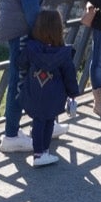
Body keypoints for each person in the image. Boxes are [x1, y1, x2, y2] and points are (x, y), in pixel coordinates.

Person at [0, 0, 69, 152]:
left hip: (15, 23)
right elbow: (29, 1)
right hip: (22, 27)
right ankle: (11, 134)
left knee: (25, 78)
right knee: (20, 80)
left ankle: (43, 122)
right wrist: (42, 34)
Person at [18, 11, 80, 167]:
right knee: (49, 122)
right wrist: (73, 94)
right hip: (54, 96)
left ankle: (38, 152)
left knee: (38, 122)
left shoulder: (31, 49)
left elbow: (21, 63)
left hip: (34, 93)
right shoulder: (63, 53)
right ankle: (42, 152)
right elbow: (69, 76)